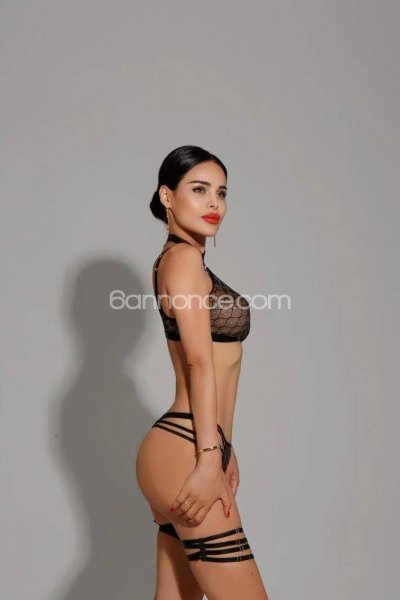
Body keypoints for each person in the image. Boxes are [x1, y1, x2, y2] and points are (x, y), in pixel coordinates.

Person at [135, 145, 269, 599]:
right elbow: (198, 362)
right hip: (189, 448)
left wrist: (225, 449)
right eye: (199, 189)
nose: (214, 203)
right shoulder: (183, 260)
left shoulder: (178, 259)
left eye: (221, 192)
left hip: (190, 443)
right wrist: (210, 457)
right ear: (167, 196)